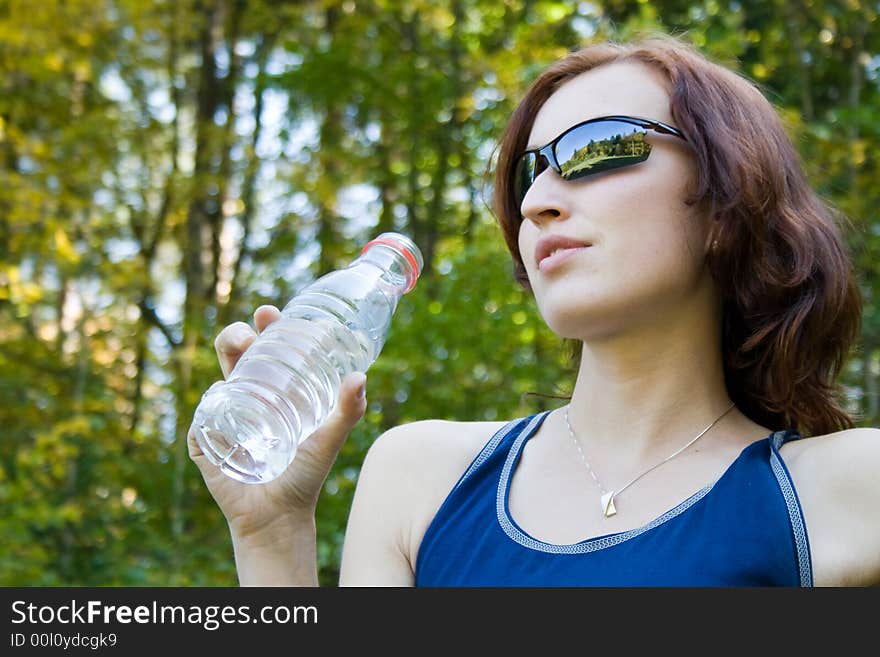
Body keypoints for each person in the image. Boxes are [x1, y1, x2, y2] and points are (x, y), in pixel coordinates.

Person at [189, 33, 880, 587]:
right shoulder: (419, 477)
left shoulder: (841, 487)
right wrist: (272, 537)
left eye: (595, 148)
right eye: (530, 168)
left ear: (727, 200)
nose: (535, 199)